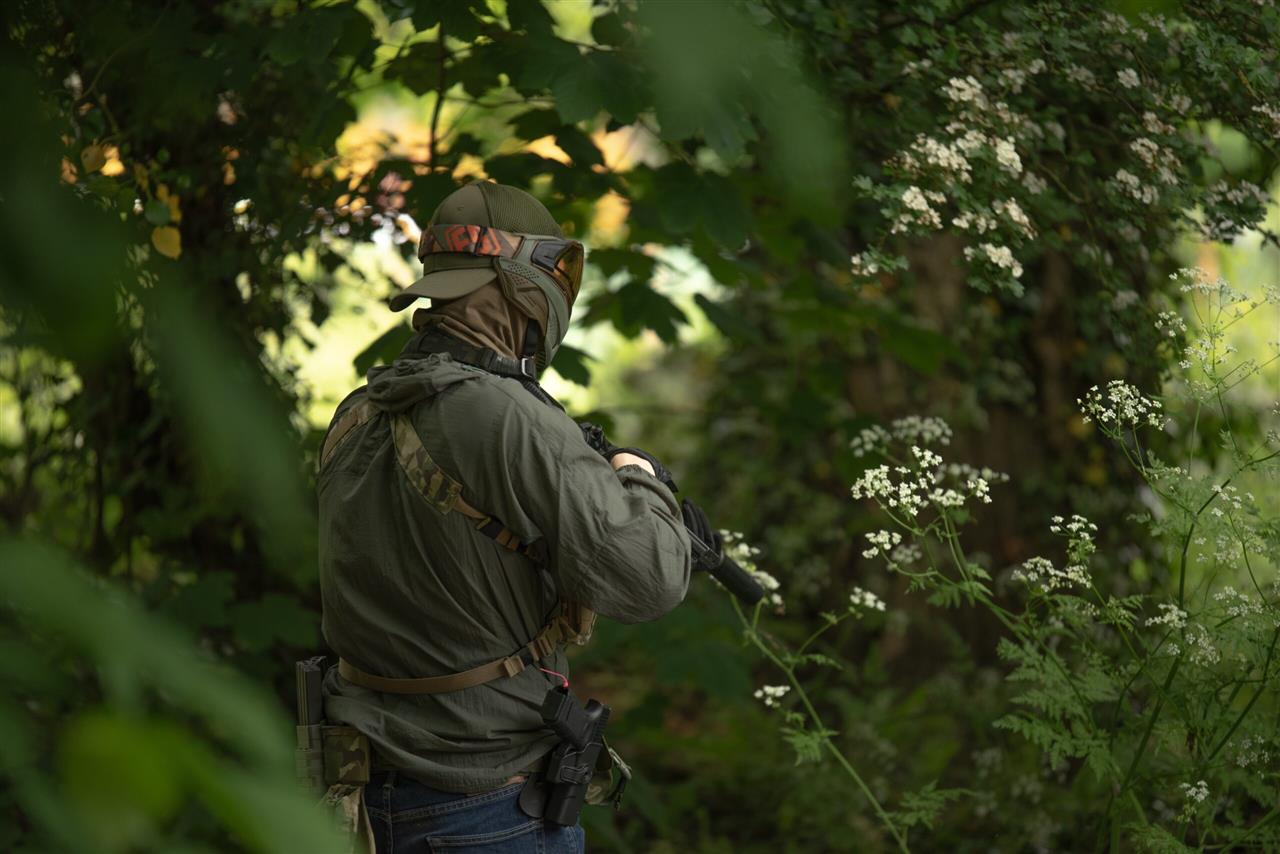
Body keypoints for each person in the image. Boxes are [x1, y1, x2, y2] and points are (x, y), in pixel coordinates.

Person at [316, 179, 693, 853]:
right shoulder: (504, 414)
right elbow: (649, 577)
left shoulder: (359, 412)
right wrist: (641, 478)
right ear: (523, 286)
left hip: (366, 800)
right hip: (486, 810)